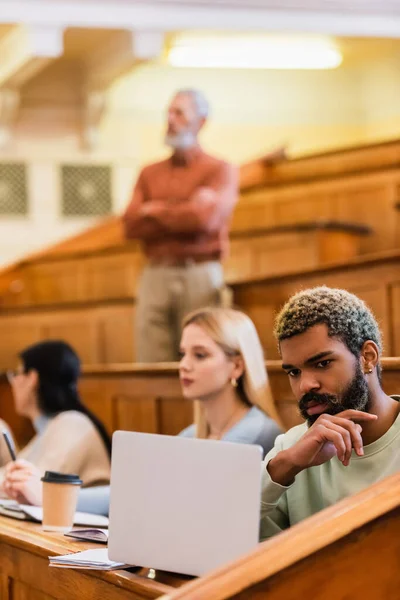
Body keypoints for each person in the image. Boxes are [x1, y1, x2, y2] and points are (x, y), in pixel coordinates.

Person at [4, 308, 282, 514]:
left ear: (236, 366)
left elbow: (157, 498)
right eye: (182, 353)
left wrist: (51, 496)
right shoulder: (191, 435)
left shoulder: (258, 431)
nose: (183, 365)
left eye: (199, 355)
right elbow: (131, 491)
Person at [123, 88, 286, 362]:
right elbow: (130, 225)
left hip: (199, 274)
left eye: (180, 113)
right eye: (169, 112)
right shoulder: (149, 173)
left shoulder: (219, 169)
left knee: (203, 357)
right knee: (151, 362)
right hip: (155, 274)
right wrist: (184, 209)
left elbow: (203, 220)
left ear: (201, 122)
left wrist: (154, 210)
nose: (171, 119)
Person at [259, 286, 400, 540]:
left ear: (368, 357)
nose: (305, 385)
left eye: (322, 364)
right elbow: (223, 535)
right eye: (294, 372)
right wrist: (285, 466)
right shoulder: (292, 448)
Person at [0, 340, 111, 493]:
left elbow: (31, 487)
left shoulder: (72, 423)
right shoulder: (49, 430)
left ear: (32, 378)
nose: (12, 383)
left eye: (17, 374)